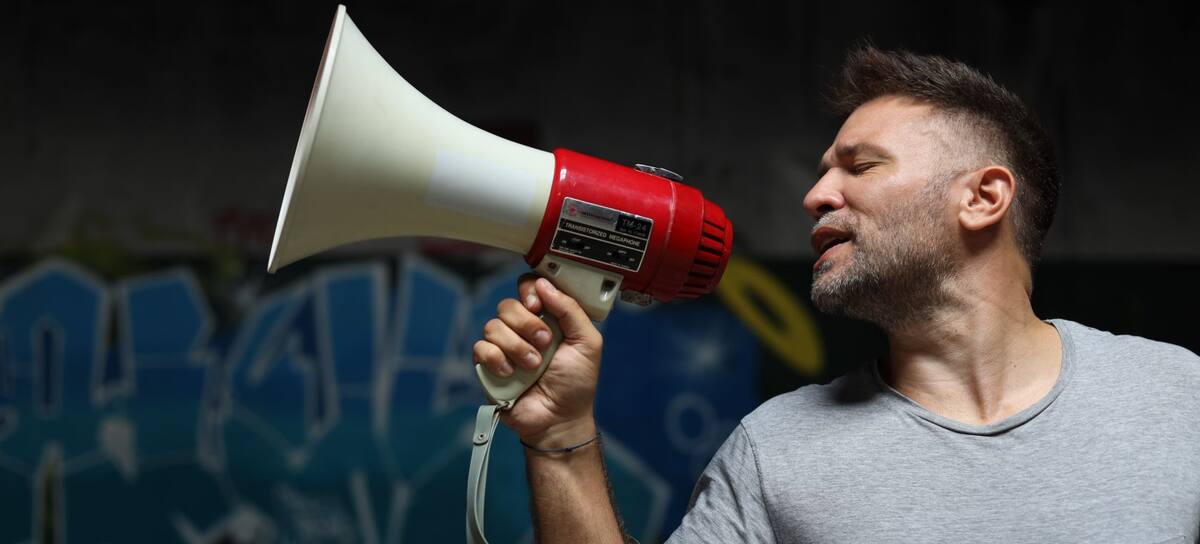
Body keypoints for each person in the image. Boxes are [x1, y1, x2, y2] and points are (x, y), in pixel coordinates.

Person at [472, 45, 1200, 543]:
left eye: (861, 166)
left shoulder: (1180, 400)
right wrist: (560, 438)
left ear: (983, 198)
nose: (816, 195)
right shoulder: (776, 452)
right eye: (824, 170)